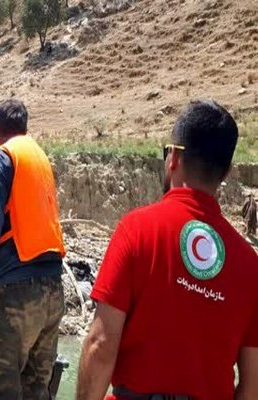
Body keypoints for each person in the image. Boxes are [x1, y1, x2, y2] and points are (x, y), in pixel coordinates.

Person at [76, 101, 258, 400]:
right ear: (225, 173)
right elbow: (252, 386)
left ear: (173, 157)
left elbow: (100, 345)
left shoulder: (137, 229)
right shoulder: (250, 265)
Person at [0, 99, 67, 399]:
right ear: (24, 128)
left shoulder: (0, 157)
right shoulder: (39, 159)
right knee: (36, 391)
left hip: (17, 294)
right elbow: (19, 213)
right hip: (53, 294)